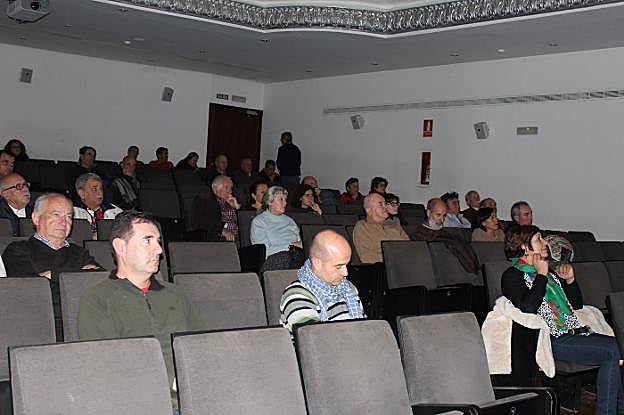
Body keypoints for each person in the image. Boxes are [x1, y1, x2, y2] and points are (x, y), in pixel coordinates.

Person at [77, 211, 193, 411]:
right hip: (143, 403)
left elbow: (199, 348)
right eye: (147, 241)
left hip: (194, 395)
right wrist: (171, 384)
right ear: (120, 247)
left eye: (158, 241)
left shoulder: (176, 294)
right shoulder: (98, 300)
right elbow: (104, 367)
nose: (159, 250)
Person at [501, 225, 623, 414]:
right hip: (551, 339)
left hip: (576, 333)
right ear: (524, 247)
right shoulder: (512, 275)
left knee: (616, 350)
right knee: (614, 350)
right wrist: (541, 276)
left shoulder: (549, 272)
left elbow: (576, 305)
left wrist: (570, 280)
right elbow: (529, 307)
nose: (545, 242)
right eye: (538, 239)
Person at [2, 193, 101, 340]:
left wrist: (50, 275)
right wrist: (78, 276)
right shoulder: (18, 250)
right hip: (42, 326)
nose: (64, 222)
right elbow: (31, 290)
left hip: (84, 321)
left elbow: (99, 279)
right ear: (36, 218)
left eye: (69, 217)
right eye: (56, 215)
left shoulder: (79, 252)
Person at [280, 230, 364, 334]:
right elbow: (312, 340)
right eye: (338, 266)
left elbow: (363, 329)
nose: (345, 273)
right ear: (317, 263)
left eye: (346, 265)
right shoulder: (297, 295)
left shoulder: (349, 288)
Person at [408, 198, 479, 274]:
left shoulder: (447, 233)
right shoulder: (418, 234)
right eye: (438, 215)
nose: (442, 220)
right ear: (428, 213)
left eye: (444, 215)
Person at [250, 186, 304, 270]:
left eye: (285, 200)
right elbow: (264, 251)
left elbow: (300, 243)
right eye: (281, 200)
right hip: (272, 260)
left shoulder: (290, 221)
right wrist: (290, 246)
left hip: (295, 257)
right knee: (286, 257)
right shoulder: (259, 221)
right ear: (270, 202)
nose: (285, 203)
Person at [353, 192, 408, 264]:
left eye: (385, 204)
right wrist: (396, 258)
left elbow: (409, 246)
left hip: (405, 263)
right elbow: (366, 257)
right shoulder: (363, 227)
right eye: (380, 204)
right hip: (383, 267)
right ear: (369, 210)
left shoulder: (394, 225)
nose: (385, 207)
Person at [191, 175, 240, 241]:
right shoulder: (203, 200)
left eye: (231, 188)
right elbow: (198, 221)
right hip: (219, 238)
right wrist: (221, 230)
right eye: (226, 188)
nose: (230, 191)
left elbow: (243, 221)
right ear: (215, 189)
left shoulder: (232, 200)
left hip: (239, 235)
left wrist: (236, 207)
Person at [73, 173, 122, 238]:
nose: (100, 193)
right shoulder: (73, 212)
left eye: (101, 189)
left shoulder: (116, 212)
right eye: (94, 189)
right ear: (82, 193)